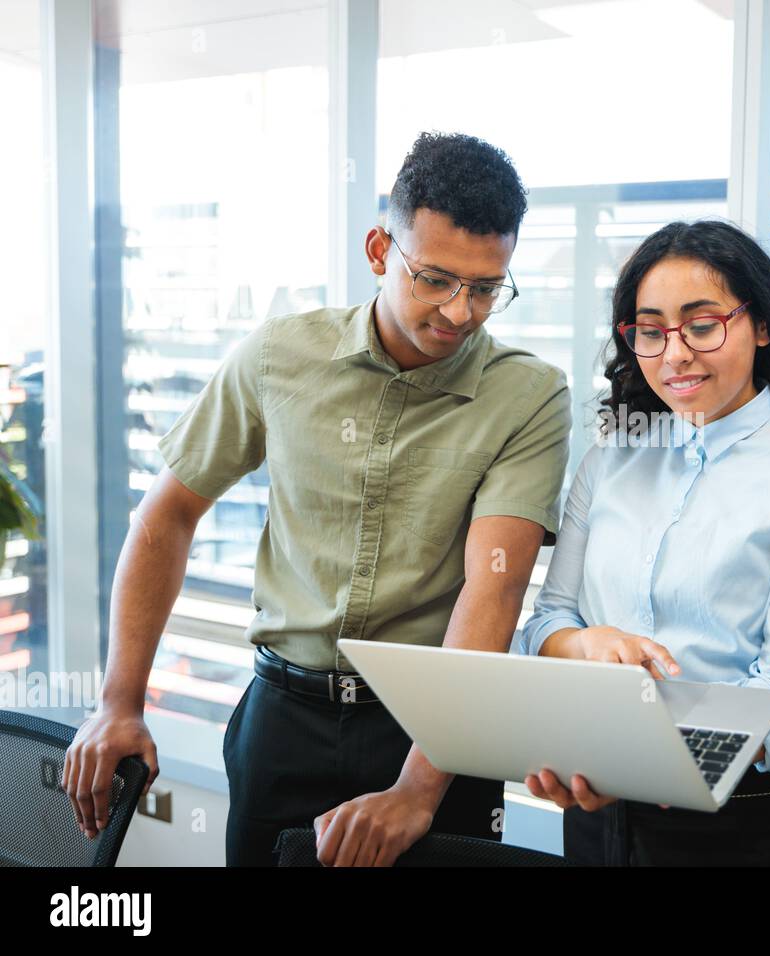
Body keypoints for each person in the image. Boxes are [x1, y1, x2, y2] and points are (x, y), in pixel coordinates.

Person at [61, 132, 572, 866]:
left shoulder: (528, 395)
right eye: (435, 279)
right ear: (377, 250)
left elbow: (493, 589)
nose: (460, 312)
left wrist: (419, 789)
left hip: (433, 730)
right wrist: (119, 700)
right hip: (283, 722)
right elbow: (167, 515)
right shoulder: (279, 356)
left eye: (486, 287)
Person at [518, 219, 770, 866]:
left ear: (762, 325)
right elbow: (548, 622)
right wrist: (585, 644)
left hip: (737, 823)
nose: (675, 353)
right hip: (596, 810)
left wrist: (646, 759)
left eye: (702, 324)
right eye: (651, 331)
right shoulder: (611, 460)